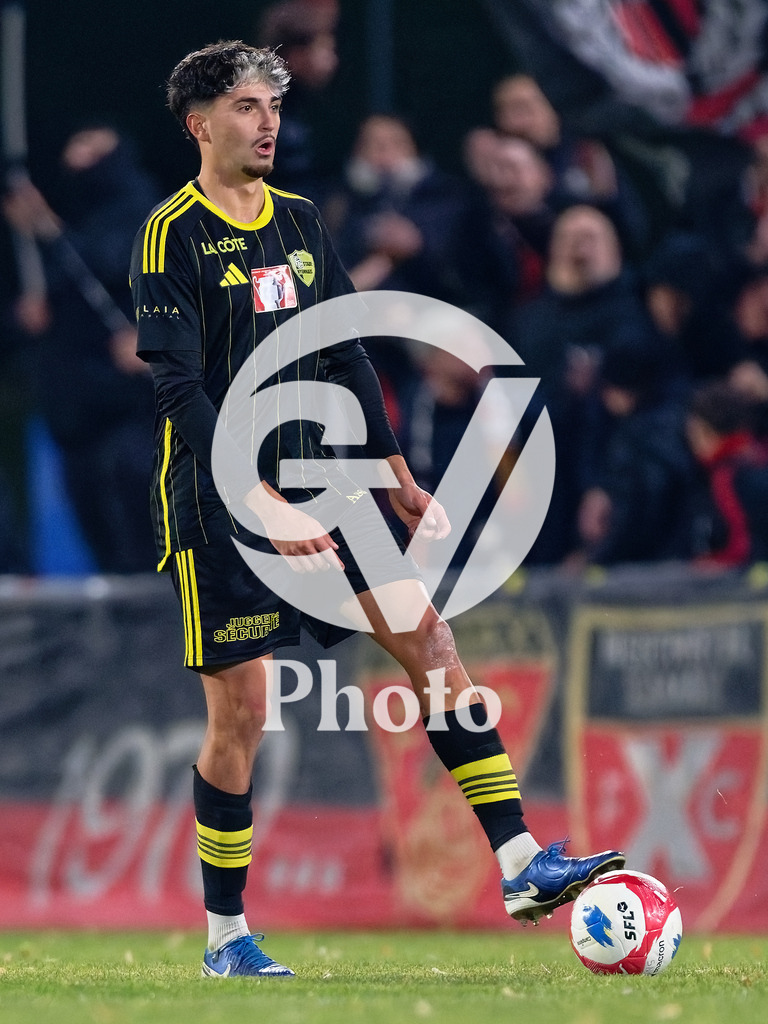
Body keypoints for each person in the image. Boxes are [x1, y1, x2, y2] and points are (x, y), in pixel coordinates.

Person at [130, 40, 624, 979]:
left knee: (431, 641)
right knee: (245, 715)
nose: (267, 120)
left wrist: (393, 465)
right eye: (244, 105)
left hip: (332, 486)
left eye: (273, 104)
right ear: (198, 124)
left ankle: (522, 863)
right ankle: (226, 936)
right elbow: (177, 390)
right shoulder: (172, 232)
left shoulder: (304, 221)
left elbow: (347, 347)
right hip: (218, 504)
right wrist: (259, 496)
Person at [2, 127, 158, 573]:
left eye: (93, 147)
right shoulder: (69, 229)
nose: (78, 156)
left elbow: (114, 266)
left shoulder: (144, 213)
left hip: (133, 415)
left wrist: (49, 229)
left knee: (144, 549)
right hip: (77, 424)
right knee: (107, 551)